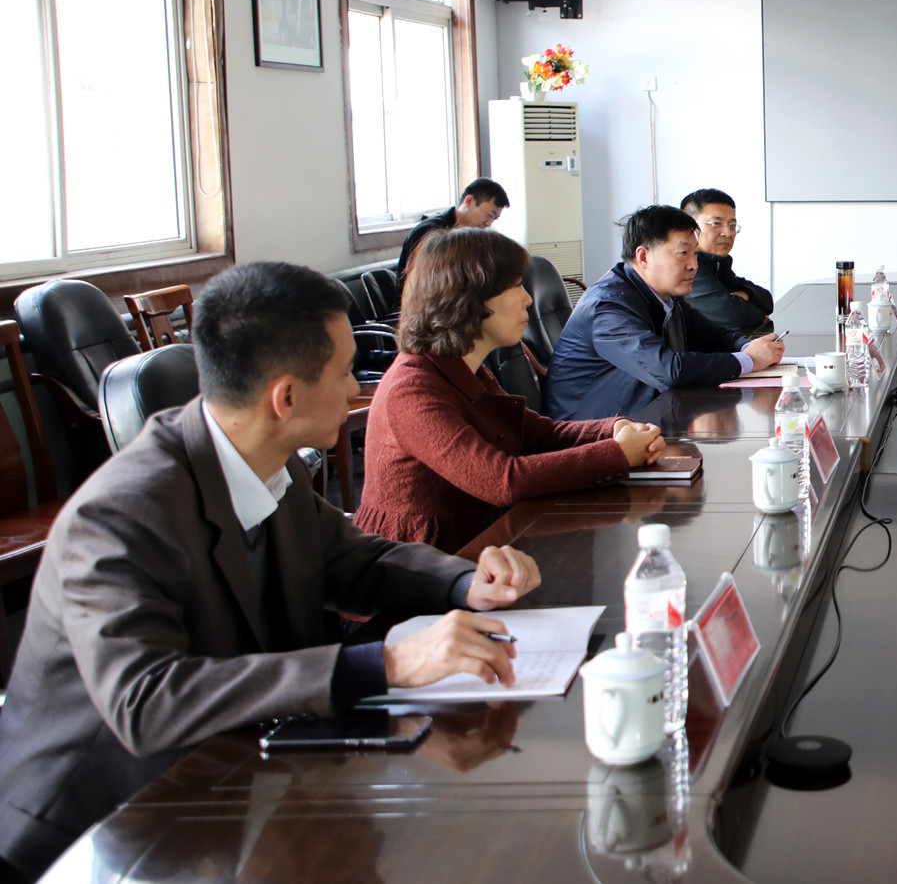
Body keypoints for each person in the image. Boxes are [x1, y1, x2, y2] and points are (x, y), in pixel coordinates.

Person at [0, 262, 542, 883]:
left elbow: (351, 556)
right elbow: (146, 702)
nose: (356, 389)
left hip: (234, 781)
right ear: (286, 397)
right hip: (97, 831)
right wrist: (387, 663)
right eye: (344, 373)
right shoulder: (119, 516)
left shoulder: (261, 459)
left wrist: (464, 581)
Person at [356, 227, 670, 555]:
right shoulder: (412, 389)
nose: (528, 299)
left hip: (472, 548)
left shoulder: (465, 368)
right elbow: (502, 480)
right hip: (415, 564)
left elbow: (536, 434)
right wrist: (616, 454)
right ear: (469, 297)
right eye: (515, 285)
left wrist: (613, 429)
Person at [545, 205, 786, 420]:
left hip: (640, 417)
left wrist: (748, 346)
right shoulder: (609, 306)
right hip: (587, 433)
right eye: (683, 253)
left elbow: (715, 336)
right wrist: (750, 360)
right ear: (643, 256)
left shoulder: (664, 295)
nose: (693, 265)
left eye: (695, 254)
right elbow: (669, 369)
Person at [680, 188, 774, 333]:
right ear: (690, 227)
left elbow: (767, 299)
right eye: (716, 223)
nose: (728, 233)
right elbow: (733, 315)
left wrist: (745, 295)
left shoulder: (716, 262)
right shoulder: (686, 264)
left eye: (732, 225)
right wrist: (758, 313)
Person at [395, 177, 511, 285]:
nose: (489, 223)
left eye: (494, 219)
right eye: (489, 215)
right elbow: (423, 284)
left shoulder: (476, 236)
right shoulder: (429, 232)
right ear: (469, 201)